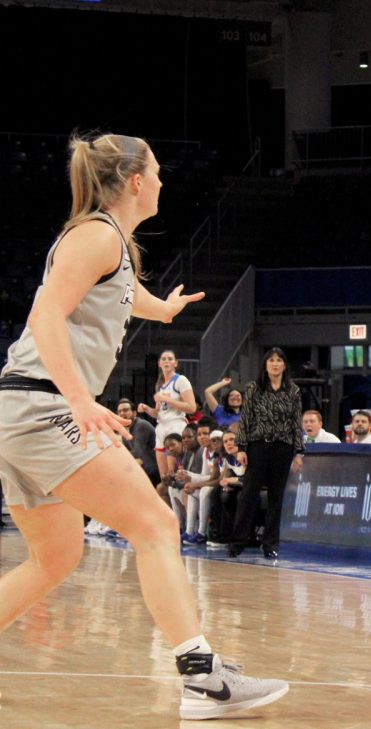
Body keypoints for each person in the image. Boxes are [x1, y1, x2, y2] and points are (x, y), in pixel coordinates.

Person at [0, 133, 286, 720]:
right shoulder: (97, 234)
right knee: (156, 523)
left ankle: (202, 675)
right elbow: (44, 314)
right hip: (43, 405)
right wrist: (79, 398)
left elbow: (118, 296)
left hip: (20, 411)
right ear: (135, 181)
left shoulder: (111, 242)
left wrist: (162, 308)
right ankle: (202, 678)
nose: (161, 182)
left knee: (55, 558)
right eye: (156, 173)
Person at [228, 347, 304, 560]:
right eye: (271, 360)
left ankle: (270, 544)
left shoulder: (293, 391)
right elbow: (245, 420)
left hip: (283, 447)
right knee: (248, 494)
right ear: (265, 364)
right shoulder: (254, 388)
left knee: (276, 497)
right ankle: (238, 542)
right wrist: (241, 448)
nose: (275, 364)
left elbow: (295, 423)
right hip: (258, 446)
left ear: (285, 365)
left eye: (279, 360)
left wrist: (298, 452)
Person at [137, 349, 197, 489]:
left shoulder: (181, 380)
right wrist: (146, 409)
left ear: (175, 363)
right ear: (159, 364)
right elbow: (158, 413)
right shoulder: (160, 385)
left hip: (176, 425)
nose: (167, 361)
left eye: (170, 359)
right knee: (165, 480)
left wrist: (166, 400)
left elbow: (191, 407)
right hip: (161, 427)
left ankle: (180, 508)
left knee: (175, 475)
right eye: (164, 359)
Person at [117, 397, 159, 485]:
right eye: (119, 411)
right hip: (143, 469)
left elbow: (137, 452)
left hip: (154, 470)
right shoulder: (126, 430)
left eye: (125, 410)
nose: (122, 413)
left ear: (134, 413)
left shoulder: (141, 425)